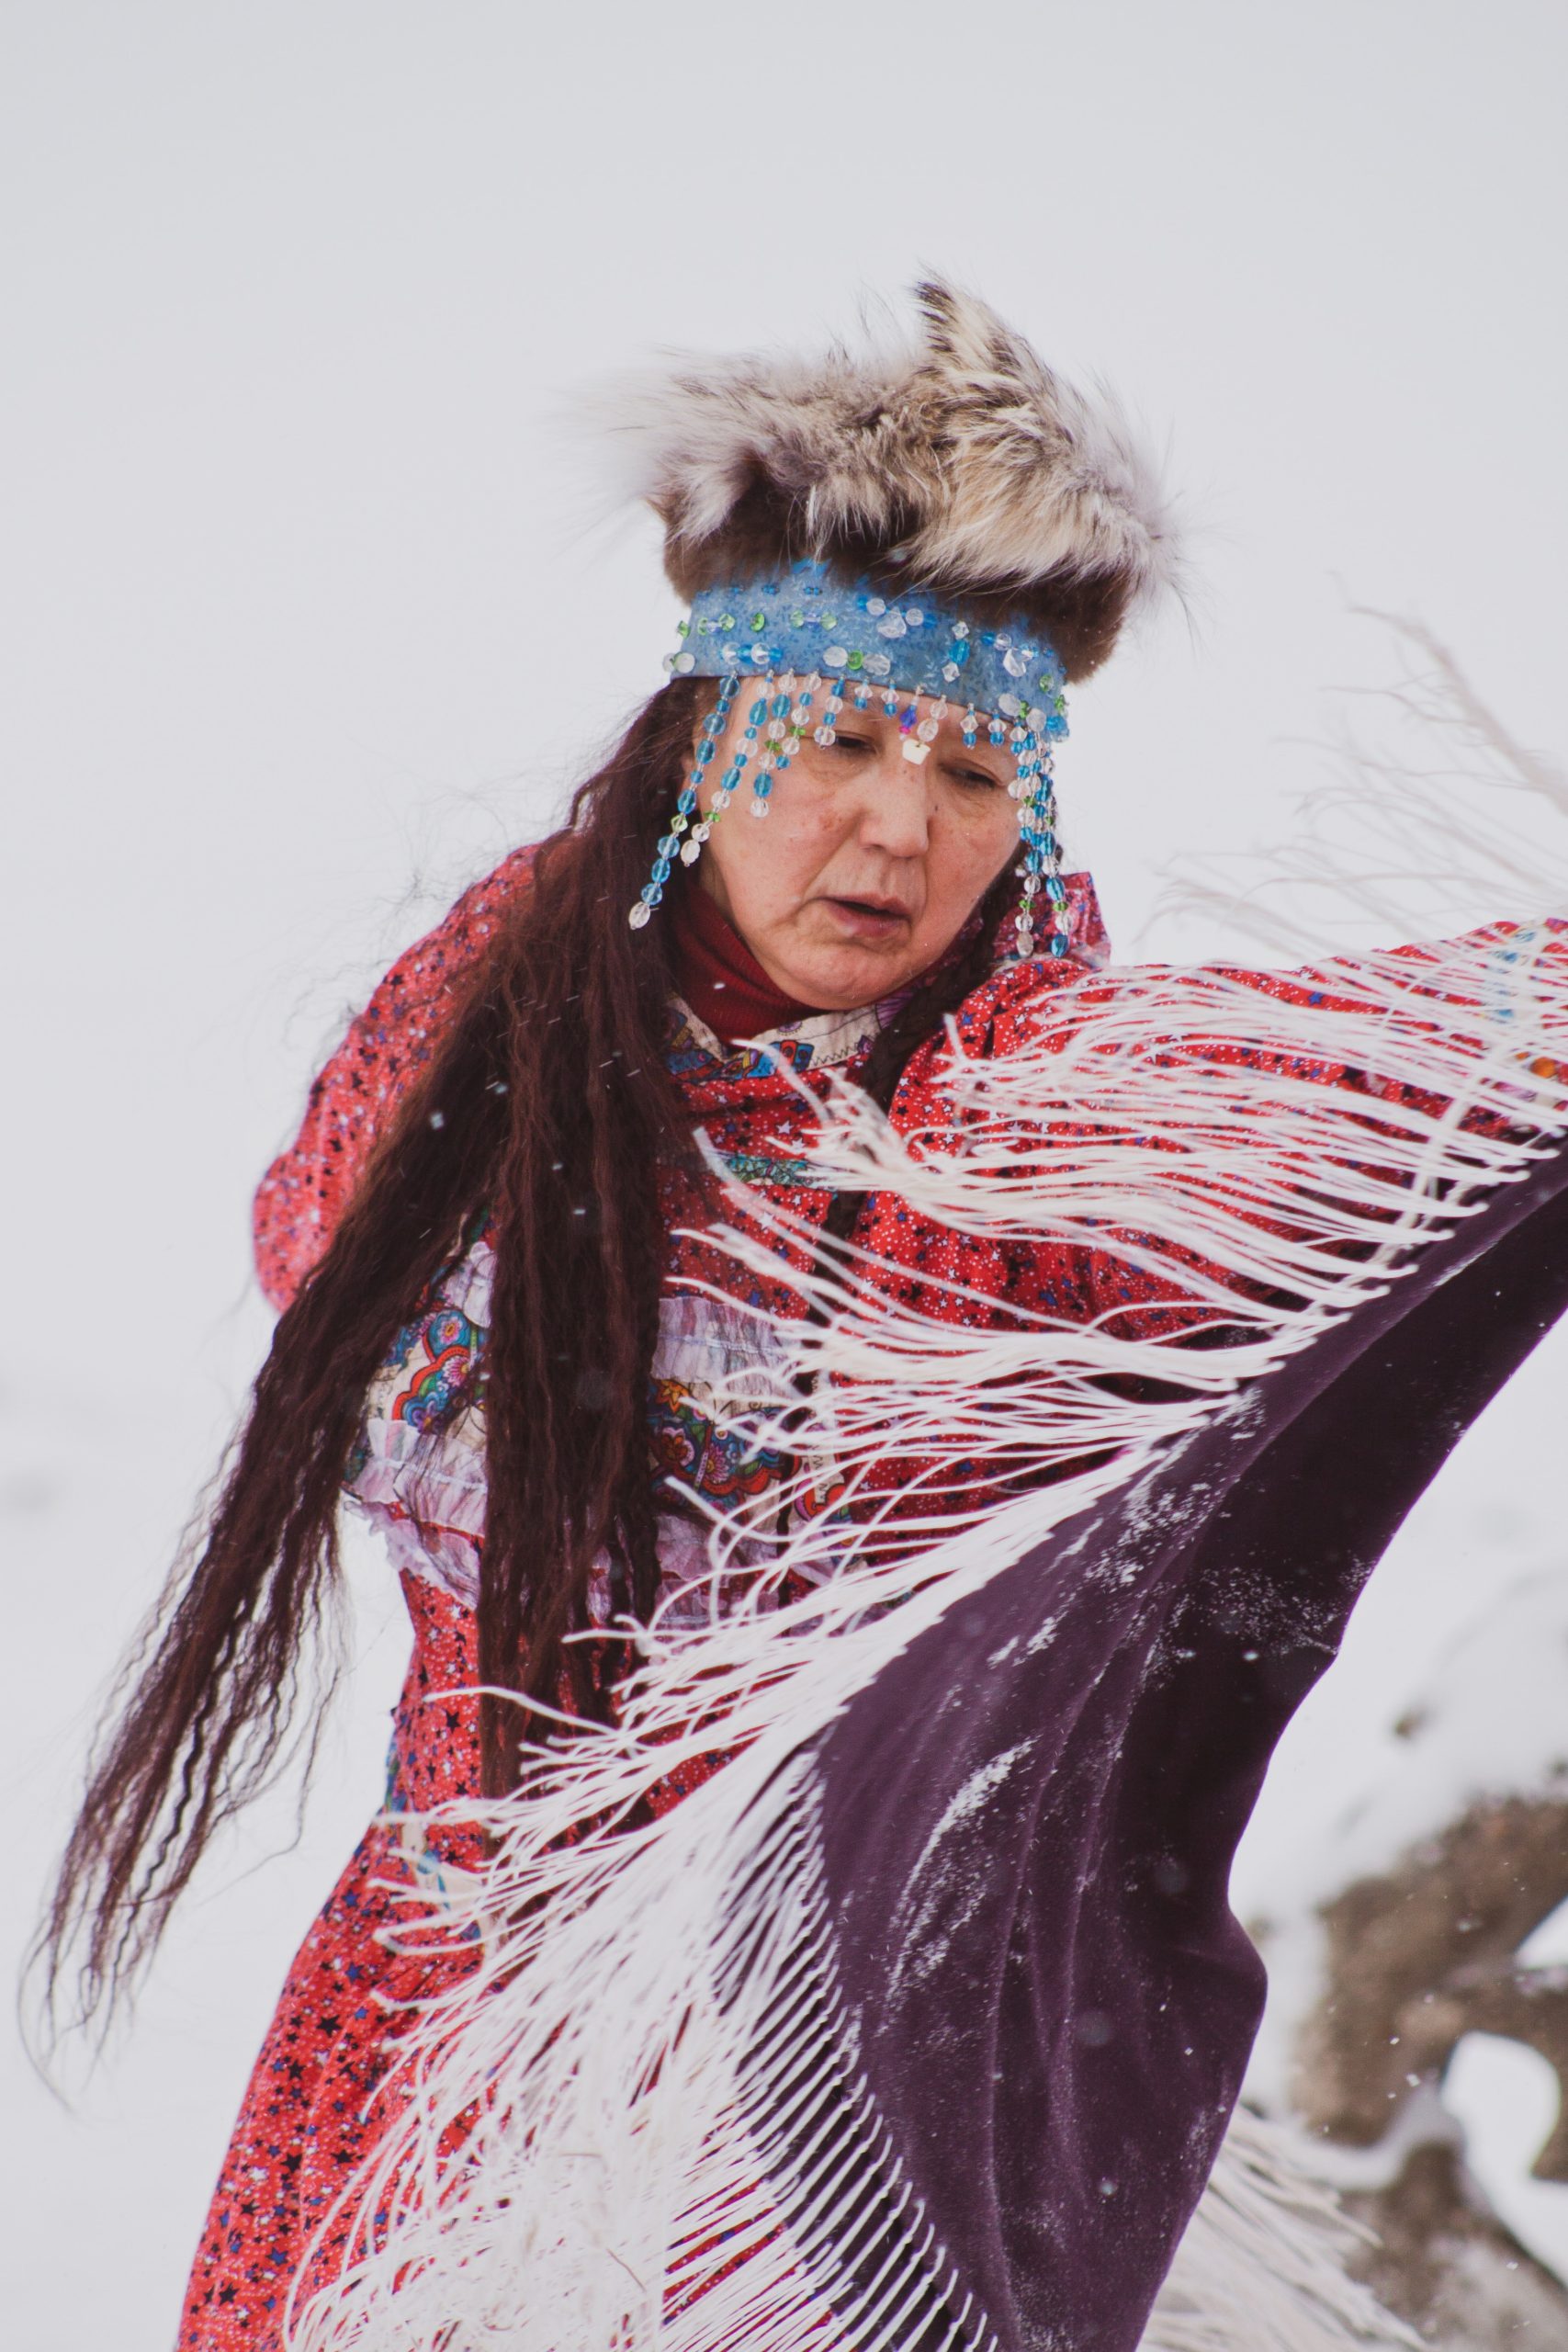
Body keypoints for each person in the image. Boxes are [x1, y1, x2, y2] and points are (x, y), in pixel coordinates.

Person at [39, 282, 1568, 2352]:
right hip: (428, 2016)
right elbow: (306, 1234)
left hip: (806, 2071)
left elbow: (1386, 1070)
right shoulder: (468, 1045)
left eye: (969, 765)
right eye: (838, 737)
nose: (899, 824)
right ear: (702, 738)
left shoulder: (1020, 1130)